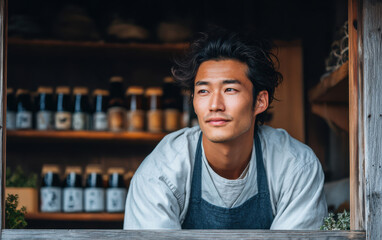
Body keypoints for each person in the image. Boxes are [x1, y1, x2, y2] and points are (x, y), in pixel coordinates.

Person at [124, 28, 327, 229]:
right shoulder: (161, 172)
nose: (215, 105)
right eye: (203, 91)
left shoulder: (296, 166)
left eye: (230, 89)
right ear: (193, 100)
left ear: (260, 101)